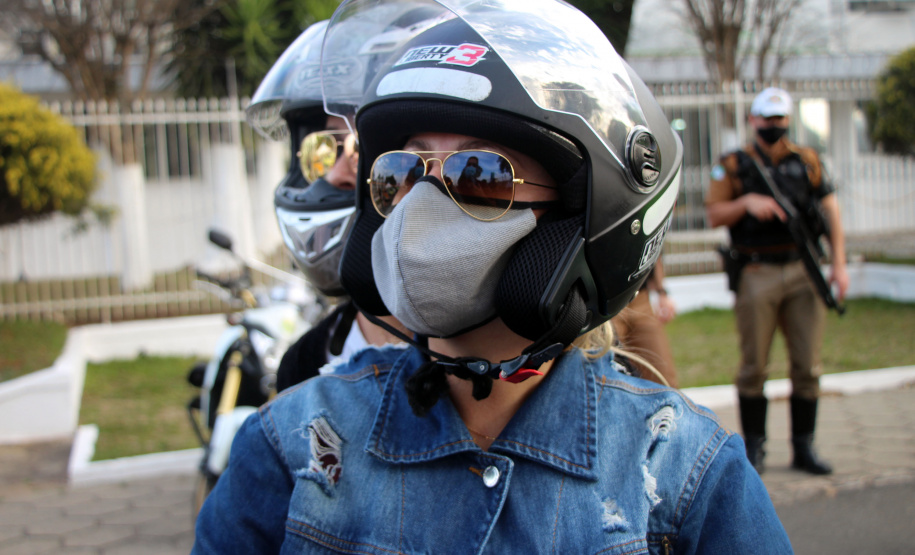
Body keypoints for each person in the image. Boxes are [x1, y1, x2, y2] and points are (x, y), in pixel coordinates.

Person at [193, 1, 792, 552]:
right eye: (401, 172)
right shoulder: (291, 448)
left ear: (579, 212)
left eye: (481, 174)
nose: (420, 203)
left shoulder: (682, 474)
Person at [245, 21, 407, 391]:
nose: (334, 176)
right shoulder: (305, 362)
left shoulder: (474, 369)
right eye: (322, 150)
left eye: (358, 150)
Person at [705, 86, 849, 475]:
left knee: (808, 365)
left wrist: (839, 263)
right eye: (766, 119)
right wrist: (746, 204)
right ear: (753, 120)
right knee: (754, 365)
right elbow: (714, 214)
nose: (773, 126)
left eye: (779, 119)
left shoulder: (807, 161)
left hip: (804, 270)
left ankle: (804, 447)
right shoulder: (733, 164)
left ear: (788, 120)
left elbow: (831, 211)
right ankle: (756, 450)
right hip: (756, 272)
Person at [611, 258, 679, 387]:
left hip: (641, 300)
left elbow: (654, 248)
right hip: (608, 305)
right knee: (612, 378)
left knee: (663, 377)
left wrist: (661, 292)